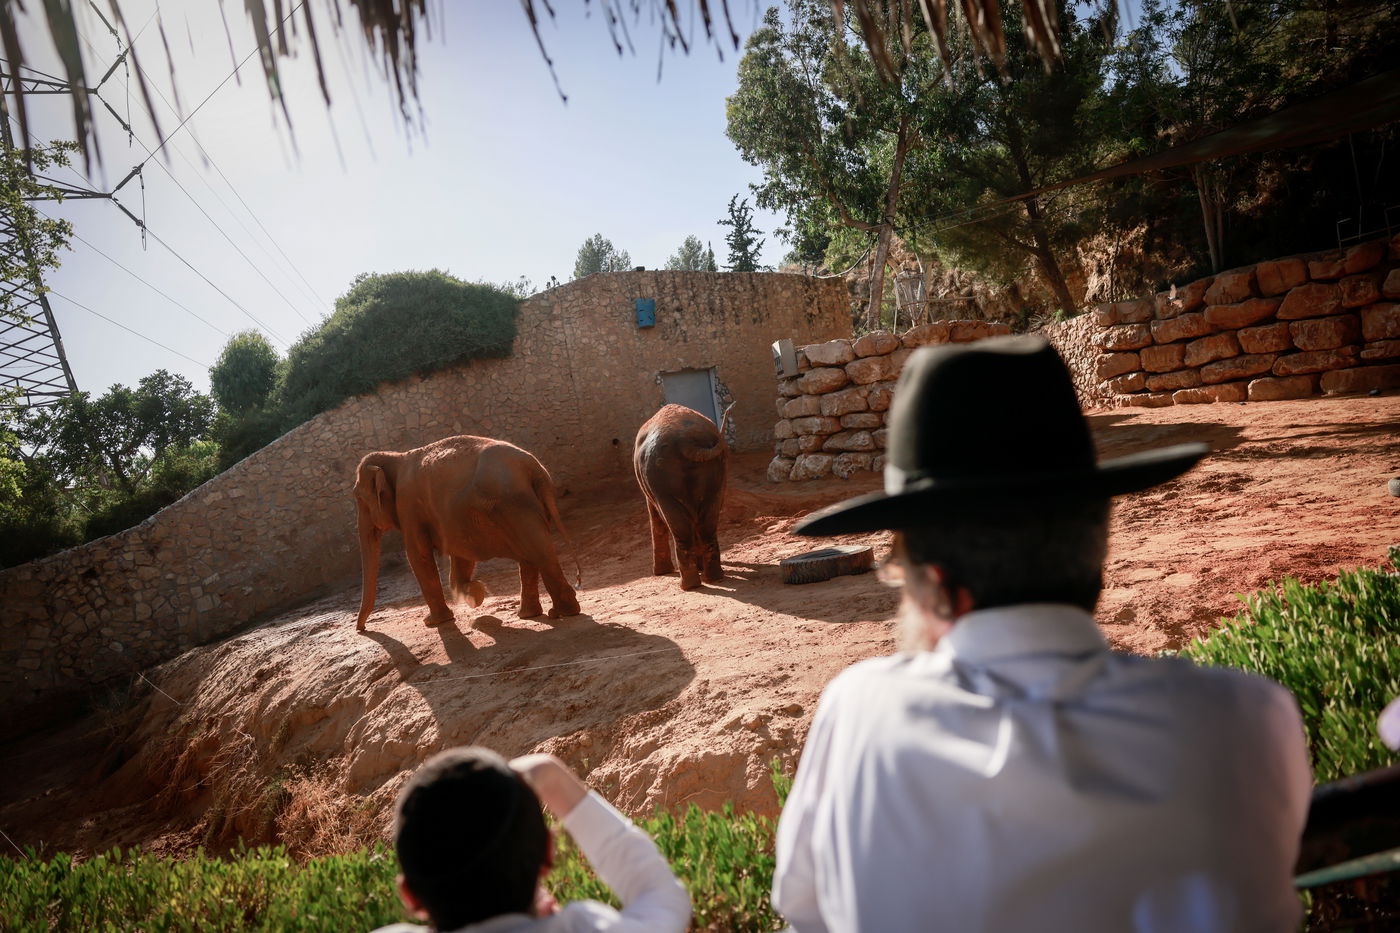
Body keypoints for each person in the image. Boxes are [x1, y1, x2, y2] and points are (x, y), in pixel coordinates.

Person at [771, 336, 1313, 933]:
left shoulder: (857, 712)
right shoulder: (1241, 718)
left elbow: (807, 914)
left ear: (934, 581)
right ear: (1099, 543)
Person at [374, 747, 690, 933]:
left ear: (410, 895)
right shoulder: (583, 925)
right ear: (548, 854)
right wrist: (548, 774)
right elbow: (660, 895)